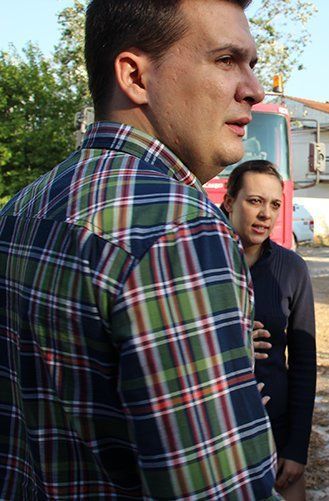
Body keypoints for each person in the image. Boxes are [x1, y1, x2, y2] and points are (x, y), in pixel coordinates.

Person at [0, 0, 278, 498]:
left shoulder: (21, 208)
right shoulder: (181, 230)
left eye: (251, 65)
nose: (254, 89)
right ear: (134, 75)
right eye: (225, 60)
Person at [222, 160, 316, 500]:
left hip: (275, 430)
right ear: (230, 202)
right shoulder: (205, 262)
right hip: (217, 431)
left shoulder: (291, 269)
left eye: (275, 204)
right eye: (255, 201)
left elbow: (304, 364)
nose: (266, 214)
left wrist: (296, 449)